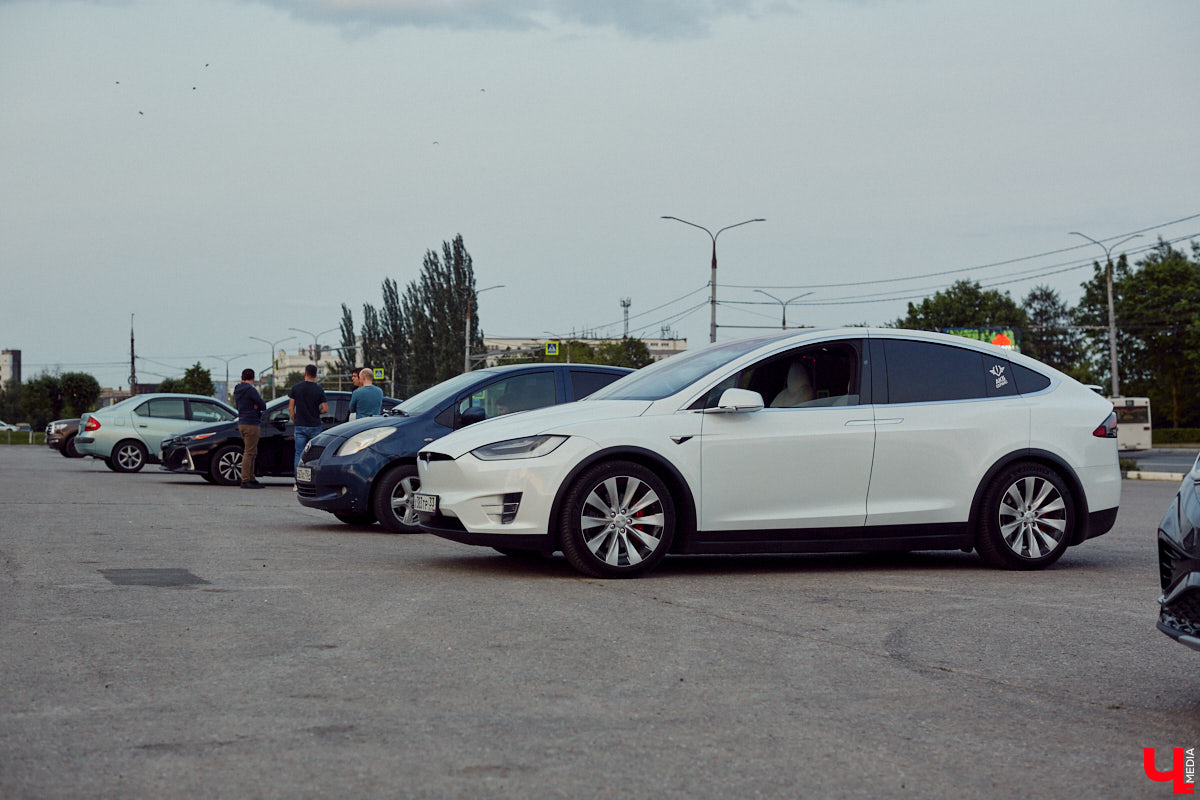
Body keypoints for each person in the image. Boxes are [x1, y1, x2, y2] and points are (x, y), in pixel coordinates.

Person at [288, 363, 328, 490]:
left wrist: (295, 419)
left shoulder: (296, 388)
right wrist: (316, 412)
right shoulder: (319, 389)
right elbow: (325, 409)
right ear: (315, 375)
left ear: (305, 373)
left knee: (299, 454)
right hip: (315, 426)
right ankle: (313, 483)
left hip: (300, 425)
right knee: (315, 455)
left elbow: (290, 408)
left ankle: (297, 483)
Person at [234, 368, 267, 489]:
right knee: (249, 452)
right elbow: (263, 405)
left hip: (242, 422)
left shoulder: (237, 390)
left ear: (242, 377)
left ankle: (251, 478)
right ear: (253, 378)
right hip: (251, 423)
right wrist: (255, 405)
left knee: (252, 451)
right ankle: (245, 479)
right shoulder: (251, 390)